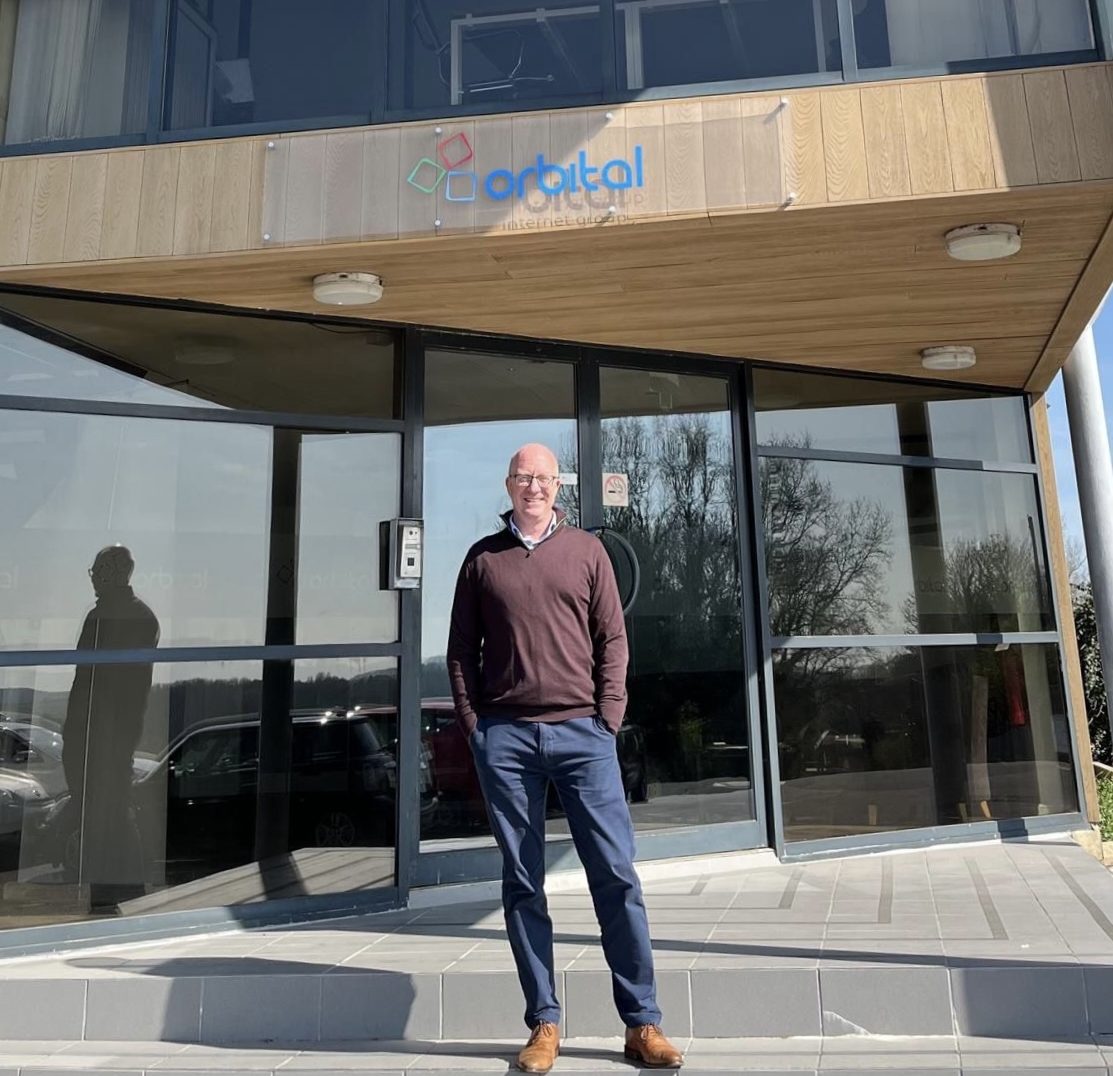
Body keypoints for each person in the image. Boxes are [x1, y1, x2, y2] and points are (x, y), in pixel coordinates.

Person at [447, 444, 683, 1073]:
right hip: (508, 740)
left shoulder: (587, 551)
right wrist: (476, 728)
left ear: (559, 487)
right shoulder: (482, 560)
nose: (534, 486)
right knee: (524, 882)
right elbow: (461, 652)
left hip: (584, 737)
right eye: (524, 477)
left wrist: (607, 720)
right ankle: (544, 1023)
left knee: (616, 874)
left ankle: (642, 1022)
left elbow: (613, 639)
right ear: (509, 484)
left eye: (544, 478)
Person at [63, 545, 160, 907]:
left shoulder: (115, 617)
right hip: (102, 733)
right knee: (107, 814)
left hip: (103, 734)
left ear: (114, 573)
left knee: (108, 815)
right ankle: (116, 894)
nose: (93, 578)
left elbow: (96, 684)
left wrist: (81, 732)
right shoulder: (132, 616)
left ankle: (116, 894)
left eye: (97, 571)